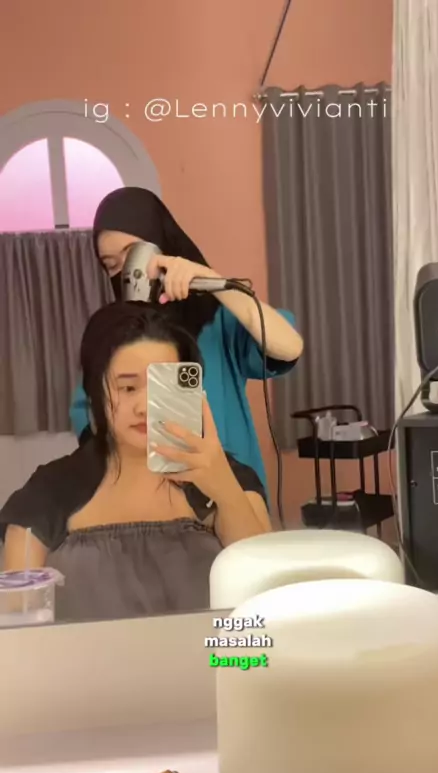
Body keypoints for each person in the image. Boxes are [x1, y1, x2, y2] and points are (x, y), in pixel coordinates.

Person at [0, 302, 271, 622]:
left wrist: (225, 489)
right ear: (95, 391)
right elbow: (18, 617)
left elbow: (264, 599)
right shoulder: (49, 491)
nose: (144, 407)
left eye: (161, 387)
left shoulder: (231, 479)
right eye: (128, 388)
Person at [70, 187, 303, 492]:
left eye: (133, 254)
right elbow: (87, 415)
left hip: (231, 490)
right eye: (111, 265)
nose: (125, 272)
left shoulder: (221, 319)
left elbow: (289, 347)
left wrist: (213, 281)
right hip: (148, 497)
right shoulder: (112, 335)